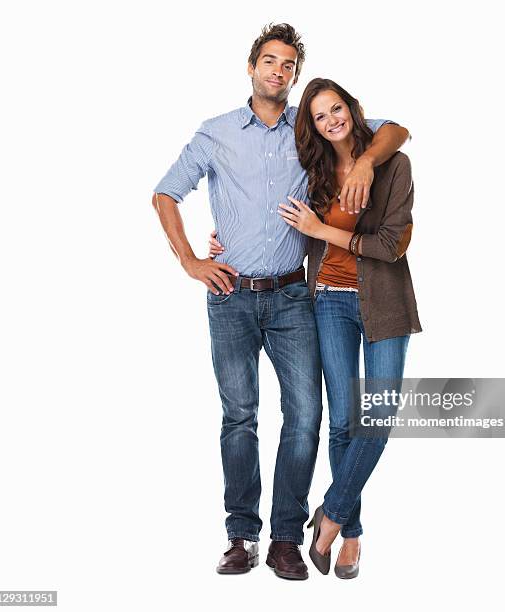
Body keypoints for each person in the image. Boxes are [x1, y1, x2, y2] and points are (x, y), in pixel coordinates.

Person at [153, 23, 410, 581]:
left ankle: (288, 537)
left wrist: (365, 162)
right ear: (251, 67)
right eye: (269, 61)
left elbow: (390, 131)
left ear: (294, 76)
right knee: (239, 415)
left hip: (297, 295)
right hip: (230, 295)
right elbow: (165, 192)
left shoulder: (308, 132)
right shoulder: (215, 132)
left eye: (288, 65)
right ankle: (241, 534)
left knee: (309, 415)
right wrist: (192, 261)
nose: (278, 71)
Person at [212, 78, 421, 578]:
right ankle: (350, 535)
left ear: (352, 108)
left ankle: (329, 514)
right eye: (320, 116)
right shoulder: (315, 169)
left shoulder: (392, 163)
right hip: (326, 301)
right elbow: (274, 211)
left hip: (385, 303)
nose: (332, 121)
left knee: (380, 420)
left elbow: (392, 245)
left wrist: (328, 222)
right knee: (344, 424)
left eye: (337, 109)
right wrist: (230, 240)